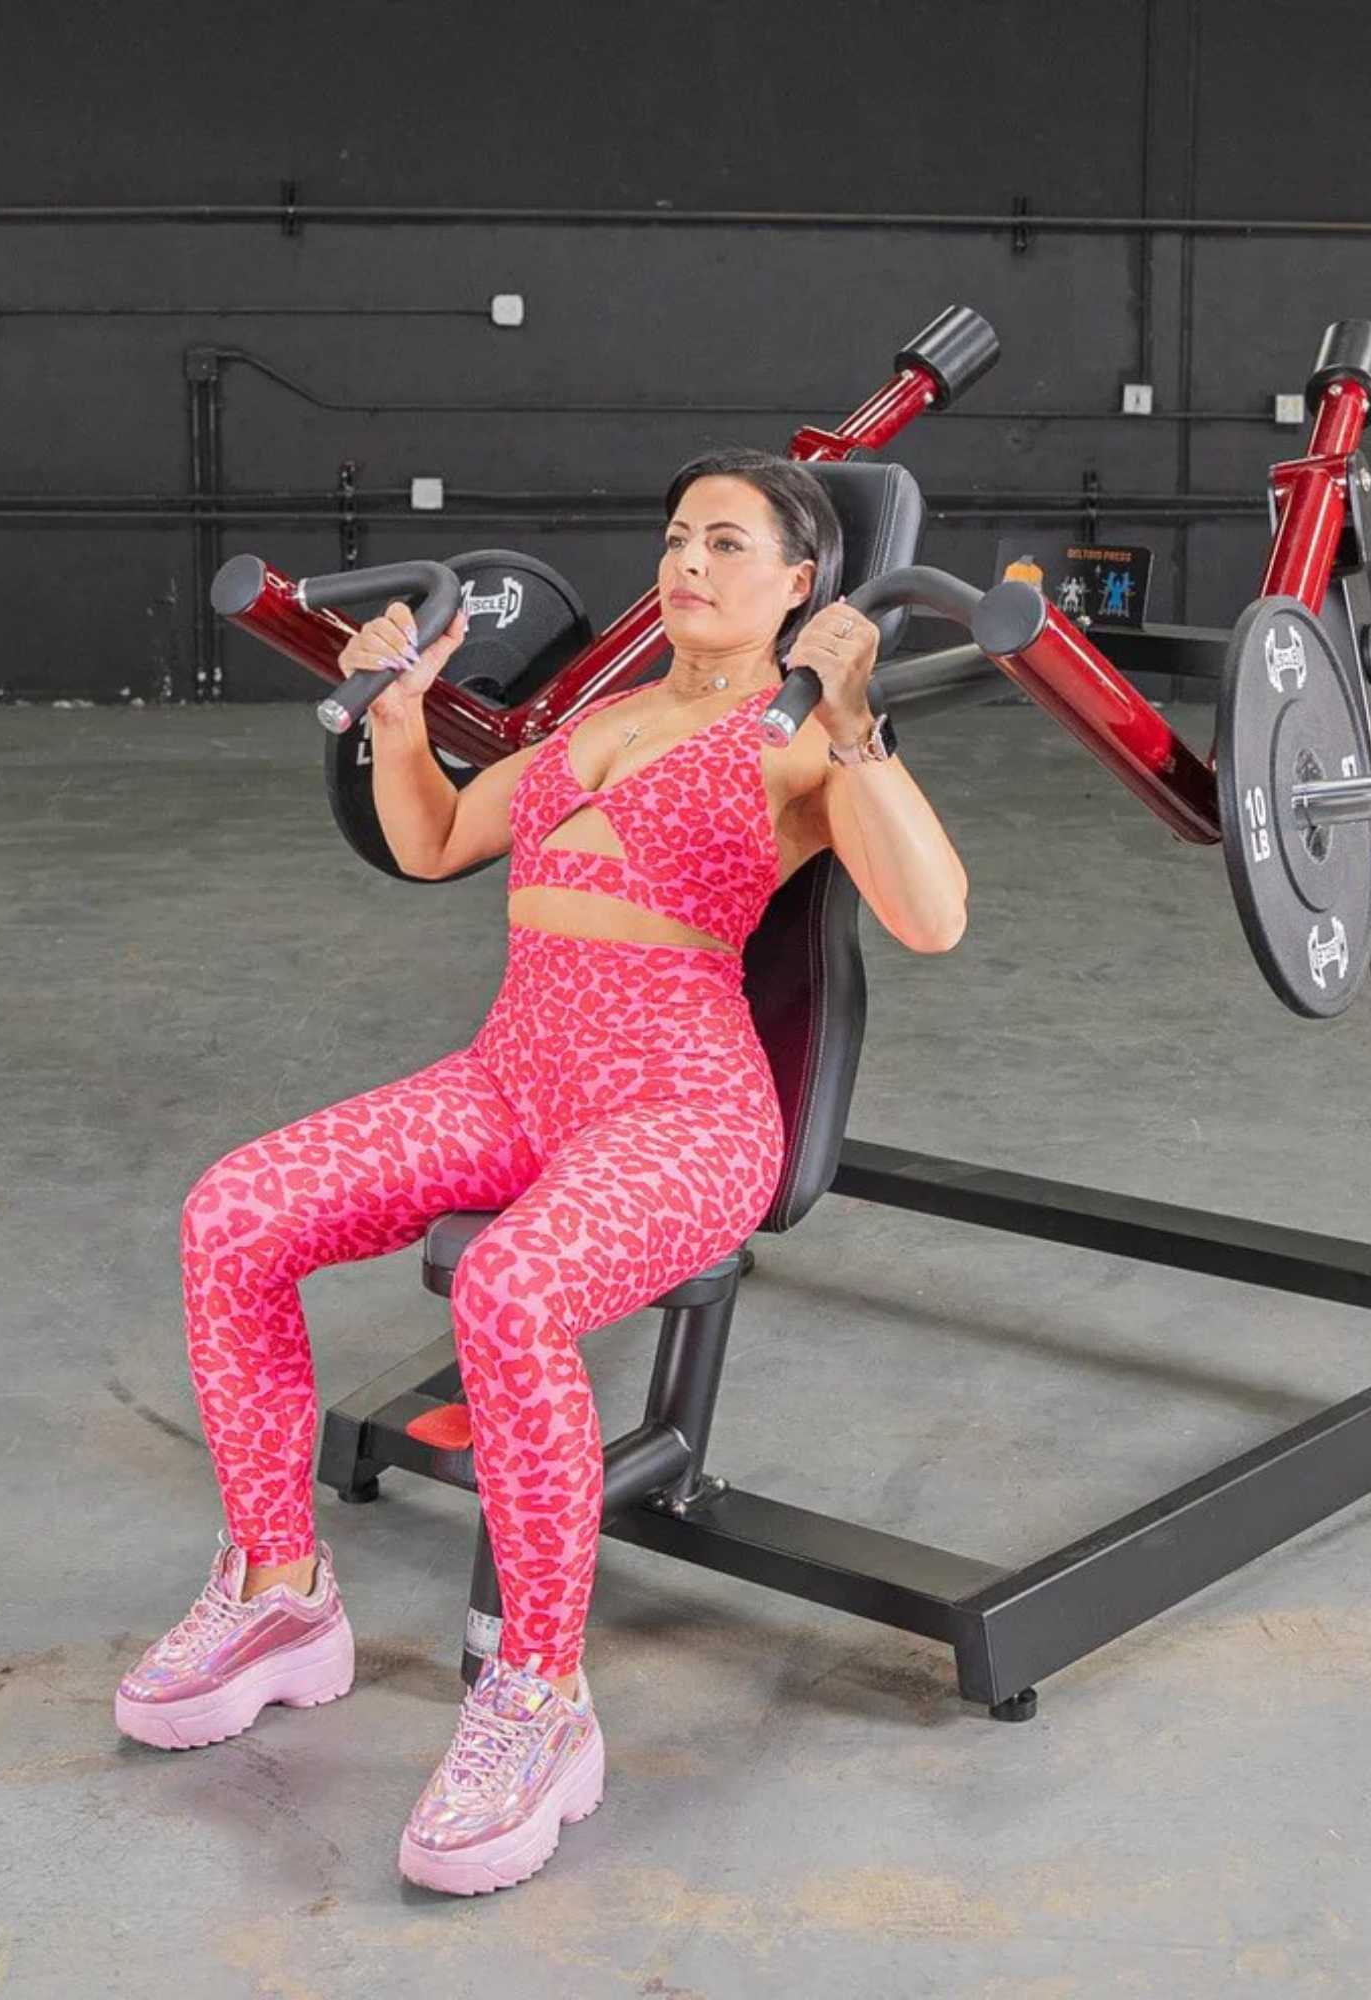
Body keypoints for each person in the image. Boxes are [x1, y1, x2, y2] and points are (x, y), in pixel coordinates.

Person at [113, 447, 970, 1894]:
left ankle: (540, 1699)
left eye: (727, 542)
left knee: (507, 1290)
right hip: (514, 1076)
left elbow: (934, 915)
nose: (688, 561)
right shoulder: (596, 723)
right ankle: (278, 1593)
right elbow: (439, 834)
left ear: (801, 585)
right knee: (233, 1214)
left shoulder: (803, 740)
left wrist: (863, 718)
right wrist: (394, 718)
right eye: (677, 534)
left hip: (682, 1106)